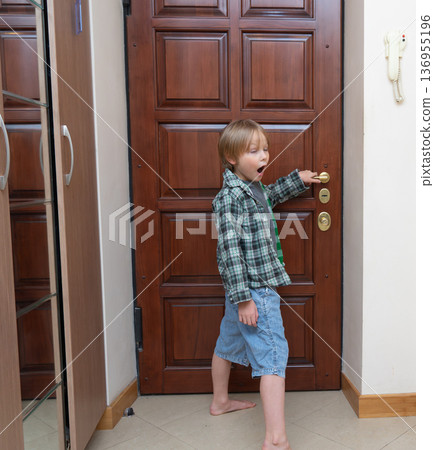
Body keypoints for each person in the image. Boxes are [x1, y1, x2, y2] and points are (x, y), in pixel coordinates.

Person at [210, 119, 320, 450]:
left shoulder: (252, 188)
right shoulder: (230, 198)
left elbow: (270, 195)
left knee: (227, 344)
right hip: (254, 291)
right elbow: (228, 253)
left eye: (266, 149)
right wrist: (245, 300)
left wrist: (296, 181)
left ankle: (220, 402)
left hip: (241, 292)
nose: (264, 156)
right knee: (273, 356)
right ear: (231, 157)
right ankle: (275, 438)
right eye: (254, 151)